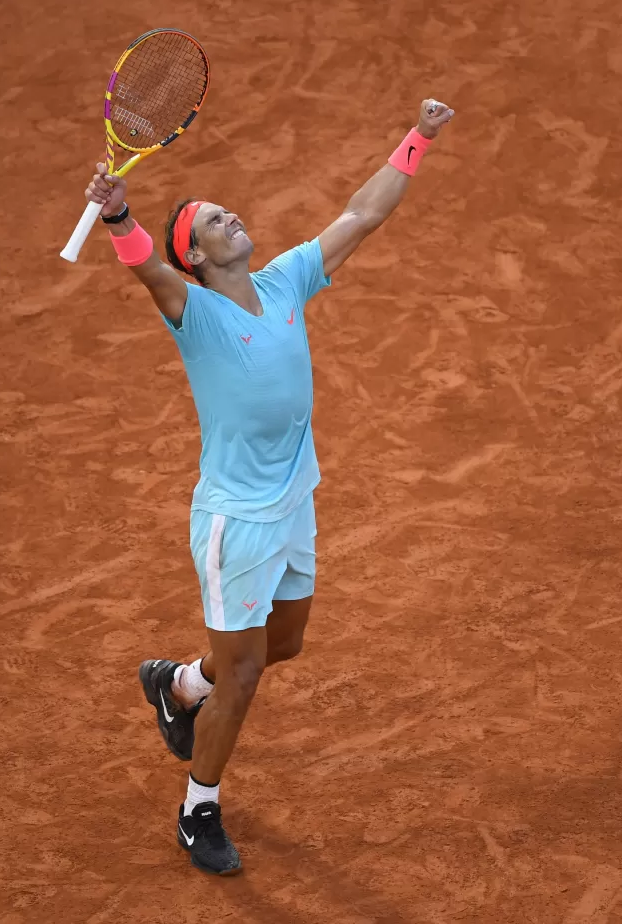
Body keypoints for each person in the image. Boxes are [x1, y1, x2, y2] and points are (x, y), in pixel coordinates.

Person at [81, 98, 455, 876]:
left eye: (228, 212)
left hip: (293, 502)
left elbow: (361, 214)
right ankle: (198, 809)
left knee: (283, 643)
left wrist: (417, 137)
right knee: (245, 674)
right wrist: (120, 219)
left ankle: (179, 686)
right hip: (237, 525)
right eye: (215, 222)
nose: (232, 219)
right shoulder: (197, 312)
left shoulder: (285, 280)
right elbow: (149, 271)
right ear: (198, 255)